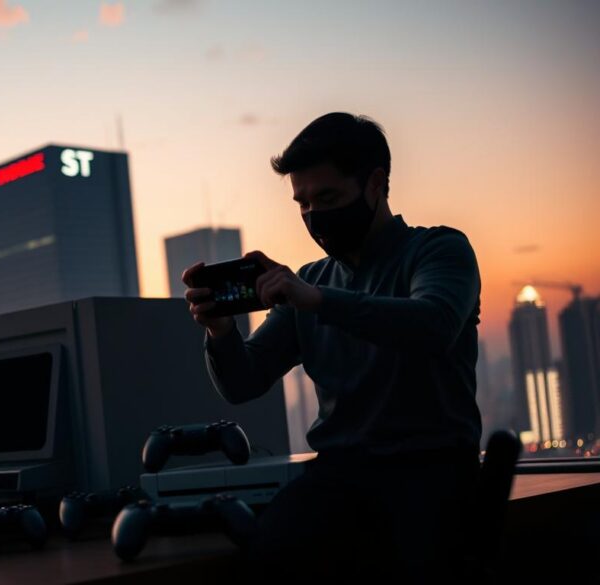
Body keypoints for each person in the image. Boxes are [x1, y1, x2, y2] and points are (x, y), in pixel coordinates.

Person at [182, 112, 483, 579]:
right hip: (339, 478)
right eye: (301, 204)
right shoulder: (311, 282)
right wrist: (220, 332)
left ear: (375, 184)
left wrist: (317, 301)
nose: (313, 217)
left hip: (431, 475)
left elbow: (434, 324)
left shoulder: (439, 251)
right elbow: (244, 381)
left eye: (327, 198)